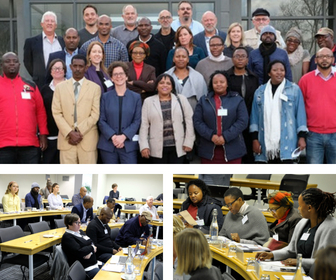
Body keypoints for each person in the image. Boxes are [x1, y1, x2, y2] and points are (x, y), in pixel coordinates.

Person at [256, 188, 336, 273]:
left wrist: (299, 262)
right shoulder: (302, 223)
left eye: (300, 206)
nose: (298, 209)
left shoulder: (331, 228)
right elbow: (291, 250)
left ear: (309, 208)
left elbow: (326, 262)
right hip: (298, 271)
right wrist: (272, 254)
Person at [250, 60, 308, 163]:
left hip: (288, 142)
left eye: (282, 70)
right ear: (269, 73)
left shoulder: (294, 89)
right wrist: (254, 139)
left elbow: (300, 115)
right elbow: (254, 118)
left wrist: (302, 137)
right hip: (264, 144)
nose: (279, 72)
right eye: (275, 70)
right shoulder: (260, 92)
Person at [52, 54, 101, 164]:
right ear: (70, 67)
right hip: (67, 140)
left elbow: (95, 114)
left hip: (87, 139)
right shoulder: (60, 87)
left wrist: (79, 131)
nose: (77, 69)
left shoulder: (95, 88)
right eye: (75, 66)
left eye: (81, 66)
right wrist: (70, 133)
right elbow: (56, 112)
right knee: (67, 176)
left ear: (86, 67)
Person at [0, 52, 48, 164]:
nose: (12, 64)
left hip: (30, 146)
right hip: (3, 145)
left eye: (15, 61)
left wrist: (43, 135)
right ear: (2, 65)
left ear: (19, 65)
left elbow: (40, 111)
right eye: (8, 61)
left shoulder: (30, 85)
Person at [193, 70, 248, 164]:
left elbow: (242, 121)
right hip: (208, 150)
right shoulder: (204, 100)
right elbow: (197, 121)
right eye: (215, 82)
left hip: (233, 150)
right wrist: (211, 136)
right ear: (211, 84)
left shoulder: (237, 99)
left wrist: (225, 137)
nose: (218, 84)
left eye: (222, 82)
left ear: (227, 84)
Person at [139, 73, 195, 164]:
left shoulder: (181, 99)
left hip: (179, 147)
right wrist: (144, 146)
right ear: (156, 86)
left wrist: (189, 142)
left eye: (168, 83)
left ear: (172, 87)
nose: (165, 85)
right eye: (161, 83)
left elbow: (189, 121)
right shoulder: (148, 101)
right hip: (156, 148)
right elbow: (144, 125)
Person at [98, 61, 141, 164]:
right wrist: (113, 137)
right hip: (108, 146)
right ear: (111, 78)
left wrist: (123, 137)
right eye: (115, 74)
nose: (118, 76)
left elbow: (137, 120)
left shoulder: (136, 97)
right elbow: (101, 120)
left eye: (121, 73)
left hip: (128, 145)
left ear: (126, 76)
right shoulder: (105, 97)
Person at [298, 47, 336, 164]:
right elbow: (299, 110)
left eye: (328, 56)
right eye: (321, 56)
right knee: (314, 171)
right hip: (313, 135)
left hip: (335, 134)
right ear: (315, 60)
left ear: (333, 60)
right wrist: (301, 136)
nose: (324, 59)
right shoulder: (305, 80)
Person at [225, 47, 259, 163]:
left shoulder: (254, 77)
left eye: (243, 56)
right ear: (232, 59)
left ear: (247, 60)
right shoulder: (226, 77)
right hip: (231, 122)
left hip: (250, 120)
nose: (240, 59)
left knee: (248, 153)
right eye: (237, 56)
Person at [23, 11, 65, 90]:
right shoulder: (31, 42)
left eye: (52, 21)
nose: (50, 23)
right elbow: (27, 62)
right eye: (47, 21)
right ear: (42, 24)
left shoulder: (63, 41)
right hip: (40, 83)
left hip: (60, 83)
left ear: (55, 25)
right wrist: (37, 75)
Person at [40, 59, 66, 164]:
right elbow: (41, 112)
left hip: (67, 136)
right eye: (54, 68)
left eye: (60, 68)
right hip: (50, 135)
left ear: (64, 71)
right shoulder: (44, 89)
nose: (57, 70)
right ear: (50, 71)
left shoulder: (72, 87)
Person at [165, 46, 207, 110]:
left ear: (188, 59)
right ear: (173, 59)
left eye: (184, 57)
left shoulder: (198, 77)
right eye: (178, 56)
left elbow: (203, 100)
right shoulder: (166, 76)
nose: (181, 59)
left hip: (193, 113)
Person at [61, 213, 100, 279]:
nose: (79, 225)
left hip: (94, 262)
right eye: (76, 223)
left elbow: (91, 241)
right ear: (69, 224)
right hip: (85, 267)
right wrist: (92, 248)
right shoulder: (67, 237)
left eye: (80, 222)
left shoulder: (80, 231)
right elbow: (79, 251)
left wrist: (90, 251)